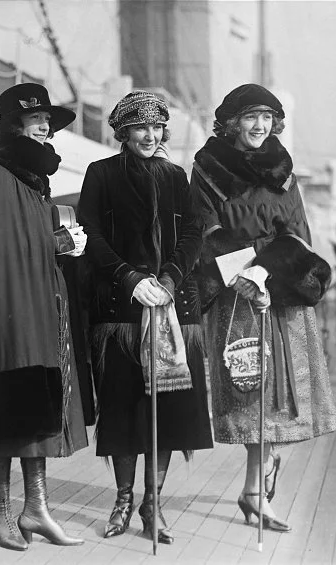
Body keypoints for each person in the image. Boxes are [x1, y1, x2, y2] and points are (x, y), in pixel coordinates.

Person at [191, 83, 336, 531]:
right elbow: (205, 234)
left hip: (279, 293)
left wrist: (267, 273)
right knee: (252, 389)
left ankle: (256, 487)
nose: (260, 126)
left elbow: (297, 235)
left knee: (280, 397)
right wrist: (245, 272)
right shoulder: (208, 169)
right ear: (233, 123)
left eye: (267, 117)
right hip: (235, 294)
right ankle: (257, 487)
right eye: (251, 117)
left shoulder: (284, 173)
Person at [77, 91, 213, 544]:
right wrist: (130, 278)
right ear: (122, 133)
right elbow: (90, 234)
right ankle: (122, 500)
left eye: (157, 128)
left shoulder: (177, 176)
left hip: (175, 309)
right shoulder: (101, 174)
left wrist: (170, 279)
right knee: (125, 408)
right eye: (140, 128)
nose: (150, 136)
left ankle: (153, 505)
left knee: (167, 413)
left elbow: (194, 234)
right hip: (122, 311)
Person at [0, 83, 90, 551]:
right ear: (14, 125)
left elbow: (30, 241)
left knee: (35, 401)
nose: (44, 127)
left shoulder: (31, 176)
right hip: (10, 311)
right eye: (36, 120)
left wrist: (60, 244)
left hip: (37, 302)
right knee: (10, 399)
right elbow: (0, 251)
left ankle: (35, 509)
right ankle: (0, 512)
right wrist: (52, 245)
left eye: (47, 121)